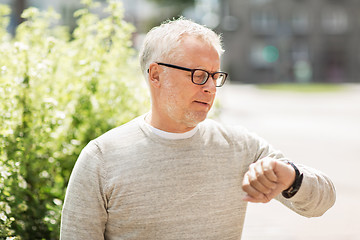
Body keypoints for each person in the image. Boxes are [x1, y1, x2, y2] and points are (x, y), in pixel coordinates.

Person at [60, 17, 336, 239]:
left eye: (215, 76)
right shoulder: (100, 158)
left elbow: (323, 202)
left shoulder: (240, 147)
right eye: (198, 74)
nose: (209, 87)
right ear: (156, 75)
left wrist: (290, 177)